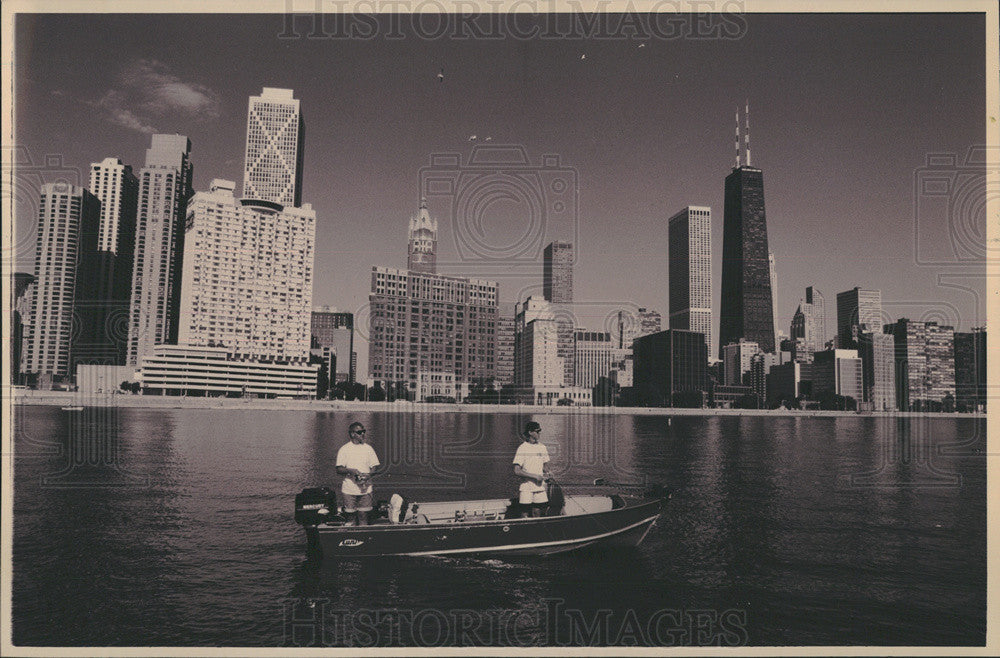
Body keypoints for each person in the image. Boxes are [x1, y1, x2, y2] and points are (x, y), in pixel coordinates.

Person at [335, 422, 381, 525]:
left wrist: (369, 475)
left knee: (363, 516)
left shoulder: (368, 449)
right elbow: (339, 469)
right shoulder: (344, 449)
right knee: (350, 518)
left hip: (366, 489)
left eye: (364, 431)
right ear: (352, 434)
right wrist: (351, 470)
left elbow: (375, 467)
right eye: (359, 432)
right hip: (349, 490)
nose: (363, 434)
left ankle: (363, 537)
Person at [512, 421, 550, 518]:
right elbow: (517, 470)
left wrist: (548, 473)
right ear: (530, 432)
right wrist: (534, 476)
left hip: (540, 487)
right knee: (524, 514)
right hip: (526, 487)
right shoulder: (522, 448)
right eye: (537, 431)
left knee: (538, 512)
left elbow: (546, 467)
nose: (539, 434)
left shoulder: (543, 447)